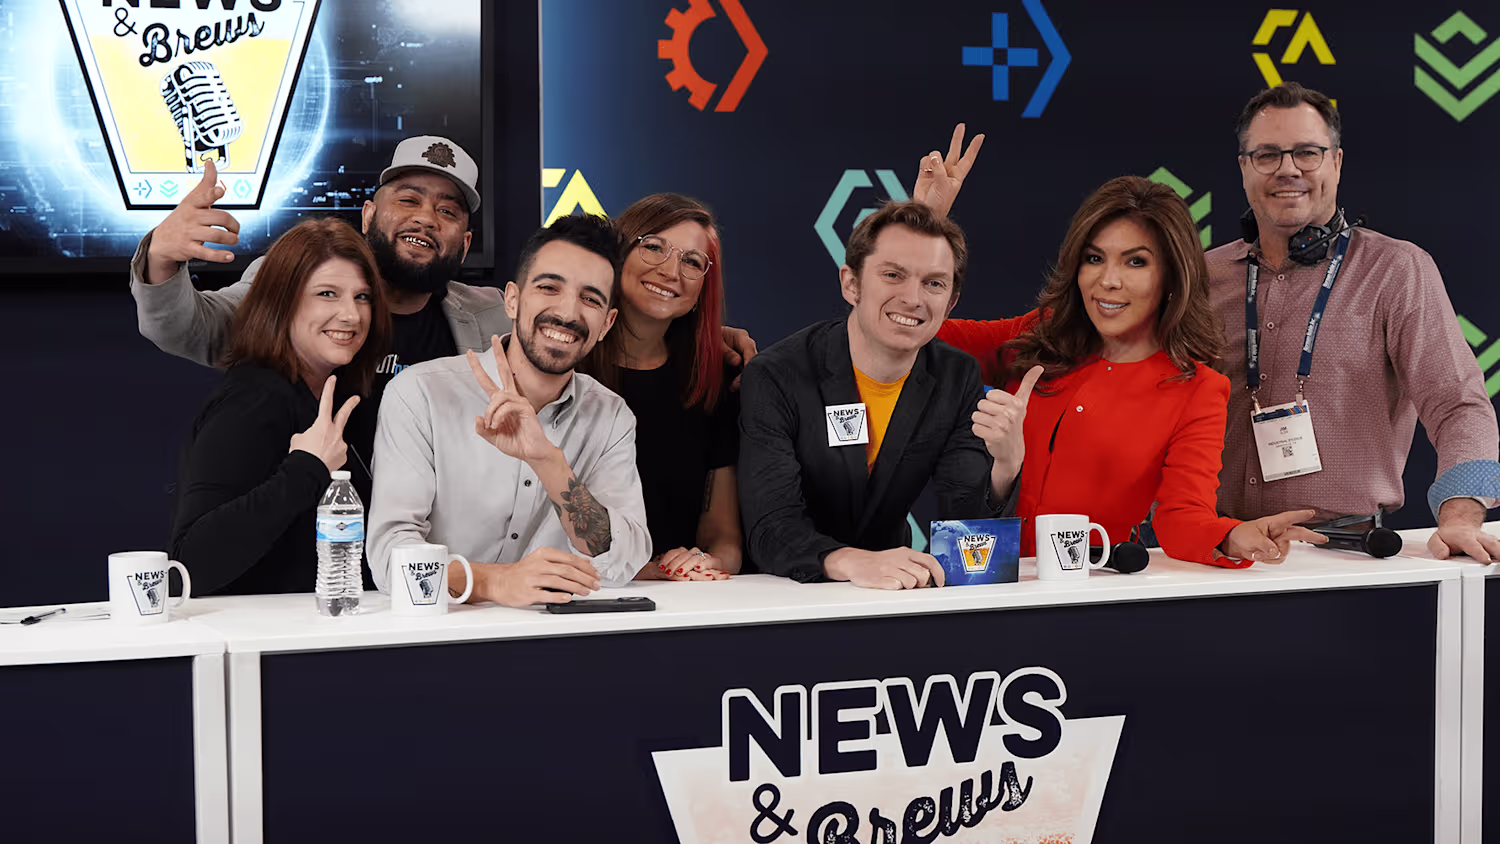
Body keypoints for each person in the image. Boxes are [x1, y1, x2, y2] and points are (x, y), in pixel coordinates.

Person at [939, 177, 1324, 566]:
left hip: (1086, 586)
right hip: (980, 574)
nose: (1108, 281)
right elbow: (921, 331)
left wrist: (1230, 537)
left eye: (1135, 262)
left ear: (1172, 276)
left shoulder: (1198, 389)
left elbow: (1183, 516)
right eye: (1094, 258)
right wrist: (925, 224)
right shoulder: (1042, 331)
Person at [1207, 83, 1499, 561]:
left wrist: (1461, 517)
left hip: (1346, 559)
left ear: (1336, 163)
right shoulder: (1203, 276)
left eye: (1307, 153)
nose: (1288, 169)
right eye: (1267, 155)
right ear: (1244, 168)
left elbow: (1457, 404)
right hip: (1216, 555)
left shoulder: (1396, 269)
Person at [368, 214, 650, 606]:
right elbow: (389, 557)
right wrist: (494, 583)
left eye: (591, 299)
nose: (568, 313)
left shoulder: (610, 415)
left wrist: (548, 461)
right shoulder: (421, 393)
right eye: (549, 287)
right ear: (512, 300)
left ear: (606, 323)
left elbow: (623, 560)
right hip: (441, 632)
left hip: (554, 635)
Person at [739, 200, 1005, 589]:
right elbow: (770, 524)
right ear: (851, 284)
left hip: (889, 593)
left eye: (933, 283)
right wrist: (851, 562)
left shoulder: (956, 375)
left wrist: (1006, 465)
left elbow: (964, 527)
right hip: (780, 591)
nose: (913, 298)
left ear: (951, 302)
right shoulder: (777, 374)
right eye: (893, 275)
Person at [171, 218, 391, 594]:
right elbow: (190, 563)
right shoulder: (255, 398)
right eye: (327, 294)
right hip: (260, 631)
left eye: (362, 297)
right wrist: (307, 468)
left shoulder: (339, 393)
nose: (351, 315)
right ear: (282, 301)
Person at [581, 194, 741, 582]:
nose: (671, 271)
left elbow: (723, 535)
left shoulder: (716, 378)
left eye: (692, 262)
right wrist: (638, 571)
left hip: (677, 595)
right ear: (619, 253)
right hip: (581, 590)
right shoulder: (565, 365)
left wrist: (709, 563)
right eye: (654, 247)